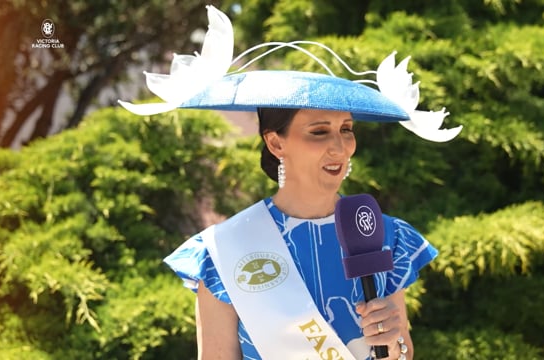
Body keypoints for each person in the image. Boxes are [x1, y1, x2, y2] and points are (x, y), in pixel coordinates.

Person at [120, 5, 461, 360]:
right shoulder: (222, 251)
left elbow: (400, 353)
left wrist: (395, 344)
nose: (339, 146)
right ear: (275, 142)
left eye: (346, 129)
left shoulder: (382, 235)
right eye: (319, 132)